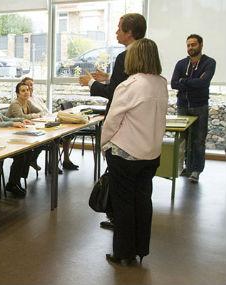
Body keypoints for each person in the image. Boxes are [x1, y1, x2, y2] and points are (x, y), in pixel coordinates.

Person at [101, 38, 167, 265]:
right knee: (143, 201)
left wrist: (104, 144)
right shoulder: (161, 83)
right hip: (151, 154)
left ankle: (122, 252)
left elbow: (112, 121)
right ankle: (140, 249)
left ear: (134, 58)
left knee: (123, 204)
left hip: (125, 153)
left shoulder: (129, 85)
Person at [79, 13, 147, 230]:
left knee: (121, 185)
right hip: (140, 135)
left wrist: (90, 83)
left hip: (121, 131)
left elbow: (115, 94)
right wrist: (109, 77)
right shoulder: (145, 58)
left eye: (119, 28)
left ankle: (118, 221)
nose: (116, 32)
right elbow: (126, 86)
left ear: (129, 33)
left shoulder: (124, 57)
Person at [170, 34, 216, 183]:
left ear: (201, 45)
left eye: (194, 44)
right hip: (182, 105)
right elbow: (173, 83)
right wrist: (192, 81)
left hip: (199, 106)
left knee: (198, 140)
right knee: (183, 138)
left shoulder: (209, 63)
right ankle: (185, 167)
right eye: (188, 45)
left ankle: (196, 170)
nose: (190, 48)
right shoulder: (181, 63)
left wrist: (184, 81)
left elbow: (204, 82)